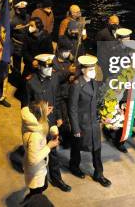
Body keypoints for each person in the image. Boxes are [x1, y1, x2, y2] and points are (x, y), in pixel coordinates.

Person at [25, 54, 73, 192]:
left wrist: (58, 116)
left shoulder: (53, 80)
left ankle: (56, 179)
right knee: (39, 153)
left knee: (53, 151)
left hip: (51, 122)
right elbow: (26, 106)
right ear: (39, 66)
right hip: (38, 124)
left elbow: (56, 98)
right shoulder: (30, 82)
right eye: (46, 66)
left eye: (51, 66)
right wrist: (40, 111)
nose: (49, 69)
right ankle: (42, 181)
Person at [68, 55, 111, 187]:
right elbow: (72, 109)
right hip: (82, 123)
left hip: (93, 122)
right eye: (91, 69)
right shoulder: (76, 85)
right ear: (82, 70)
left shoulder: (93, 82)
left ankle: (99, 173)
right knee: (77, 147)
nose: (93, 71)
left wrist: (104, 114)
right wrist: (75, 128)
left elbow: (96, 101)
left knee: (96, 148)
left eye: (94, 68)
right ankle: (74, 166)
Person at [21, 100, 60, 203]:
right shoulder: (35, 135)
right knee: (37, 195)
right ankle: (29, 201)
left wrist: (45, 114)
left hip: (39, 167)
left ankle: (29, 198)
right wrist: (49, 146)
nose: (49, 109)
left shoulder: (33, 122)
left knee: (43, 186)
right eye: (46, 108)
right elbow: (32, 160)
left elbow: (43, 125)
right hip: (35, 170)